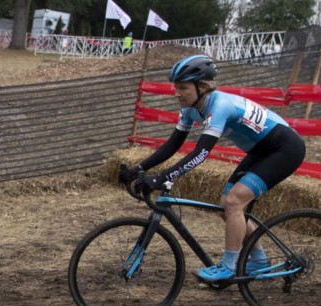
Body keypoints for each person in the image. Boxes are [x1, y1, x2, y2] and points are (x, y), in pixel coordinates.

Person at [120, 54, 306, 283]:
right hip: (261, 151)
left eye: (182, 88)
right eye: (175, 87)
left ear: (203, 87)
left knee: (234, 202)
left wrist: (163, 177)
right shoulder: (189, 108)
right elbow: (173, 145)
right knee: (224, 207)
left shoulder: (220, 106)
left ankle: (228, 267)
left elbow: (201, 153)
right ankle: (259, 260)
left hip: (285, 149)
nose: (176, 93)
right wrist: (139, 168)